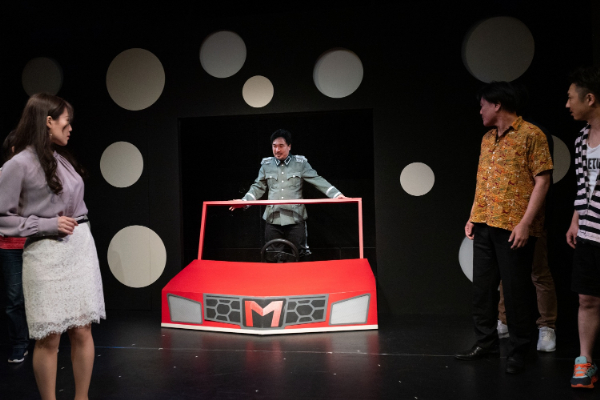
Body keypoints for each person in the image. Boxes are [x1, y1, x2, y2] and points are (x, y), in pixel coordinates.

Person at [0, 93, 106, 400]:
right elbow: (3, 217)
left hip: (79, 246)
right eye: (66, 122)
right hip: (45, 252)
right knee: (49, 336)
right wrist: (46, 225)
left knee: (82, 329)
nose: (70, 128)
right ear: (48, 121)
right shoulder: (18, 164)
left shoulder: (60, 158)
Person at [456, 81, 553, 374]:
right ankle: (486, 343)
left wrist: (525, 224)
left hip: (514, 227)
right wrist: (473, 215)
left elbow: (543, 181)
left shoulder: (531, 134)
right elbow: (482, 181)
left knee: (515, 291)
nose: (480, 111)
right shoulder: (487, 139)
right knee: (483, 290)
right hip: (485, 222)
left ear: (497, 104)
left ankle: (519, 349)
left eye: (483, 105)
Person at [231, 129, 346, 259]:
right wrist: (244, 201)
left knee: (298, 256)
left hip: (295, 218)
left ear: (289, 146)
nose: (277, 150)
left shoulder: (300, 164)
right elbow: (258, 187)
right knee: (273, 257)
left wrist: (336, 195)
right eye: (274, 146)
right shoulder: (266, 165)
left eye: (281, 146)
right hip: (273, 218)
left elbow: (317, 179)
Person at [565, 66, 600, 389]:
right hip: (589, 233)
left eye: (570, 98)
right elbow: (582, 185)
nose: (567, 104)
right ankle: (585, 361)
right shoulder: (579, 140)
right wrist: (576, 220)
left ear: (589, 99)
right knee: (587, 299)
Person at [497, 231, 558, 353]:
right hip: (506, 225)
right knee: (508, 272)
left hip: (533, 226)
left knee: (539, 272)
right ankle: (504, 321)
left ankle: (547, 326)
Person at [0, 131, 29, 363]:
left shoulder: (37, 175)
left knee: (42, 295)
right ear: (13, 150)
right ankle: (20, 344)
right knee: (14, 298)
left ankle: (47, 343)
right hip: (9, 245)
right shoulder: (2, 175)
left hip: (35, 242)